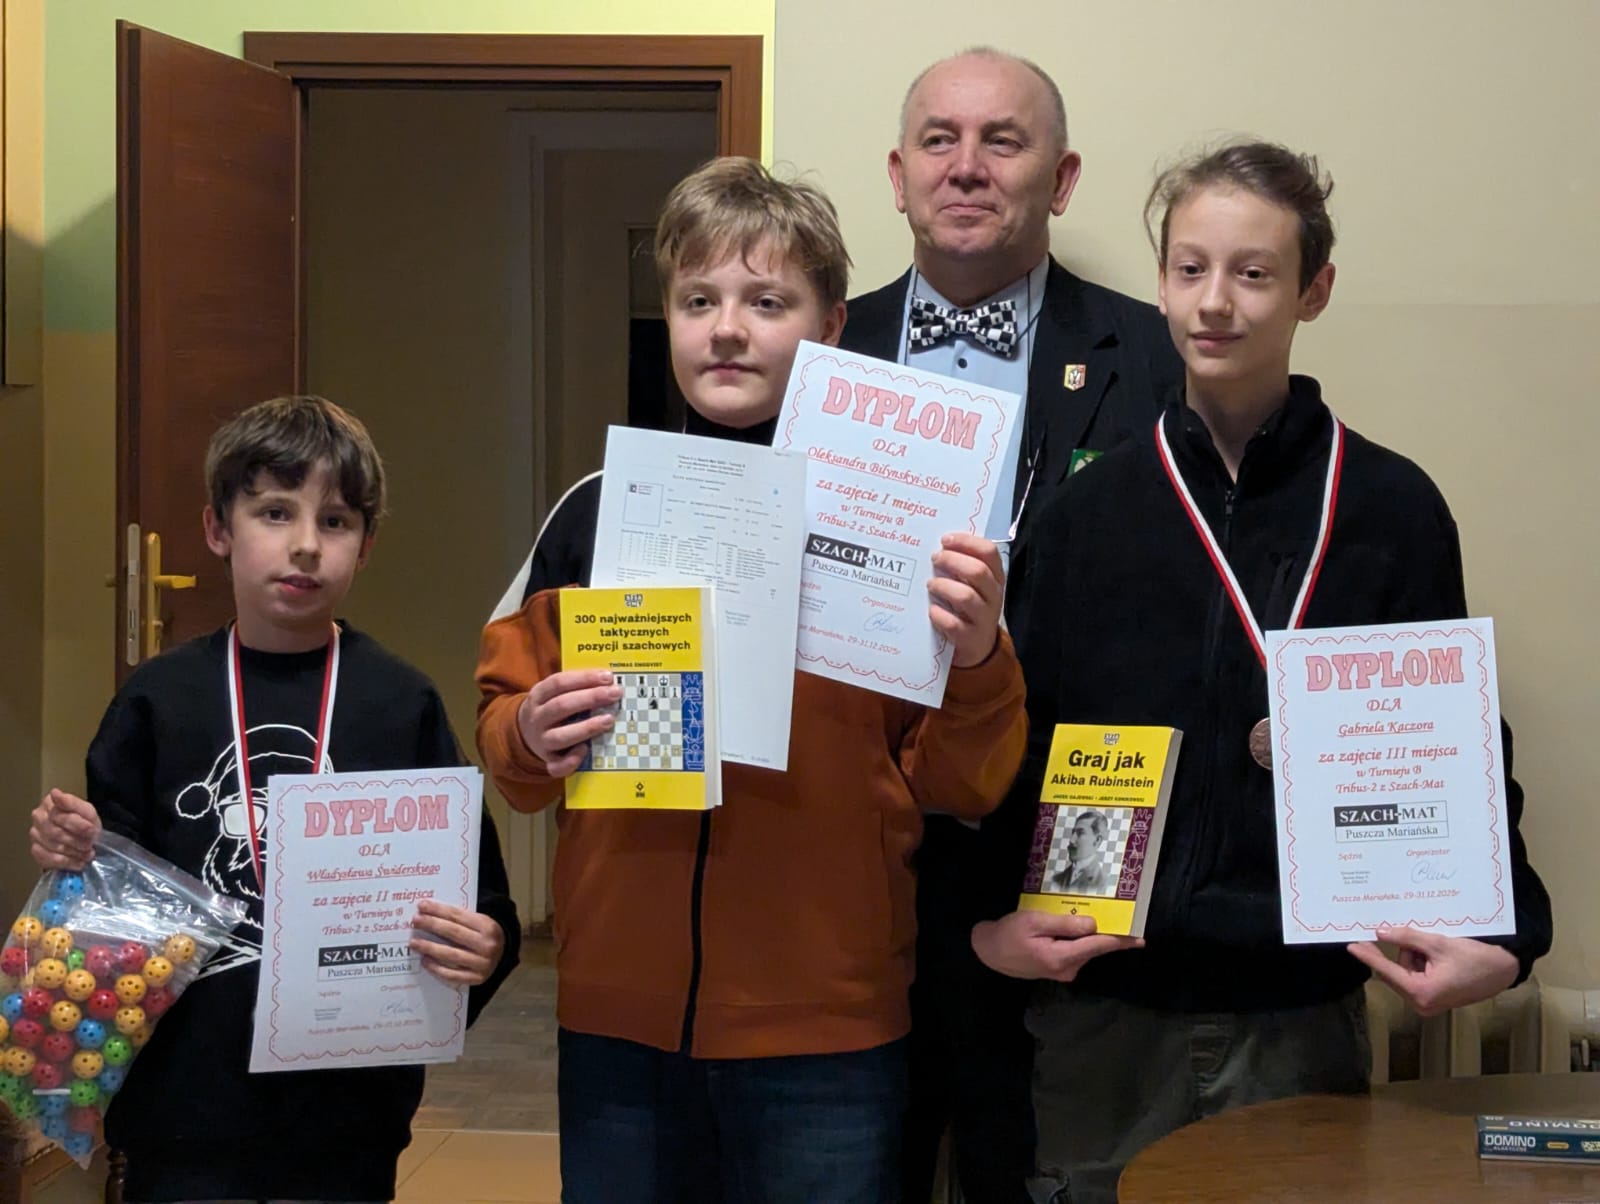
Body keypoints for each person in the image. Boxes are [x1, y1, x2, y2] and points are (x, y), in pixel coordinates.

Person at [973, 141, 1554, 1203]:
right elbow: (1017, 738)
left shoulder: (1390, 507)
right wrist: (981, 919)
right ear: (1160, 283)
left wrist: (1508, 935)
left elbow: (1458, 742)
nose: (1215, 303)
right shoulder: (1085, 514)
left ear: (1312, 291)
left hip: (1300, 1014)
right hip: (1106, 1012)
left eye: (1253, 273)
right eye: (1189, 268)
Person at [474, 156, 1027, 1204]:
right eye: (698, 301)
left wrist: (976, 656)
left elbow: (962, 781)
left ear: (831, 326)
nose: (726, 330)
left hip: (827, 1026)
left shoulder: (904, 524)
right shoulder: (596, 510)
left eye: (767, 302)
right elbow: (510, 749)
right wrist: (528, 732)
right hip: (619, 1019)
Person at [837, 46, 1182, 1203]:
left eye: (1003, 140)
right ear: (898, 174)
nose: (967, 166)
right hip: (855, 854)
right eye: (939, 139)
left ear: (1062, 177)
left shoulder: (1156, 355)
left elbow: (1171, 632)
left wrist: (1086, 876)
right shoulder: (812, 347)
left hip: (1057, 858)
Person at [28, 395, 521, 1203]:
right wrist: (72, 849)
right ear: (218, 528)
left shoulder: (399, 704)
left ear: (366, 546)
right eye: (274, 512)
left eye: (336, 521)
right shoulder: (159, 700)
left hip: (347, 1119)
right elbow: (106, 888)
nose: (305, 544)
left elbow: (482, 899)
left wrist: (485, 944)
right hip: (181, 1109)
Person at [1055, 811, 1110, 895]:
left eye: (1080, 833)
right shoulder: (1057, 879)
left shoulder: (1104, 882)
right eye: (1073, 833)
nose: (1071, 840)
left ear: (1097, 840)